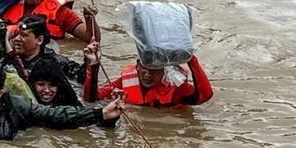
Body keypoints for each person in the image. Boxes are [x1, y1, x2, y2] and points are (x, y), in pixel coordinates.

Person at [82, 40, 214, 107]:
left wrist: (191, 59)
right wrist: (93, 65)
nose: (148, 75)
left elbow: (205, 96)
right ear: (138, 66)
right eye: (145, 68)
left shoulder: (176, 88)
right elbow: (90, 99)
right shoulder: (124, 82)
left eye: (155, 71)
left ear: (165, 71)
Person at [9, 15, 85, 82]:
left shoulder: (56, 62)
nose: (16, 39)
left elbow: (81, 77)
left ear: (39, 40)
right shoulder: (9, 54)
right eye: (15, 34)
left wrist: (90, 62)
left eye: (23, 35)